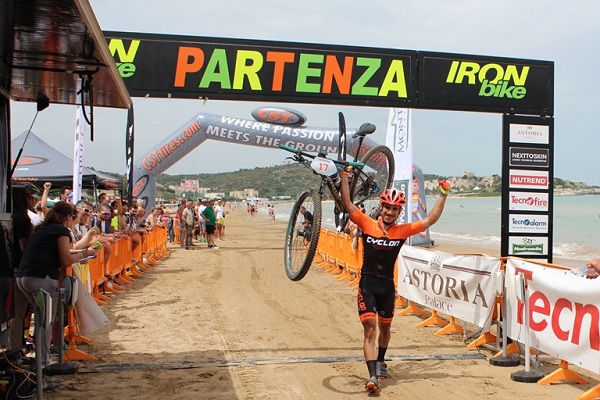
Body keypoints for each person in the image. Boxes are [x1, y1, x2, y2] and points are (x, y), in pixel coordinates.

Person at [340, 170, 450, 394]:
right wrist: (344, 176)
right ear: (381, 207)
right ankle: (372, 377)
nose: (389, 212)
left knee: (385, 327)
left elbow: (430, 220)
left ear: (399, 212)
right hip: (368, 285)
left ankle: (381, 360)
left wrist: (443, 195)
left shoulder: (402, 231)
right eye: (386, 207)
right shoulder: (367, 224)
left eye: (394, 209)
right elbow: (348, 204)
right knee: (370, 330)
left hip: (388, 287)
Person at [17, 201, 96, 365]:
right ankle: (44, 359)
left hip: (24, 277)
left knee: (40, 318)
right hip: (42, 278)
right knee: (46, 320)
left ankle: (40, 357)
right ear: (68, 217)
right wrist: (83, 254)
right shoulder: (61, 231)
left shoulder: (41, 229)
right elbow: (66, 259)